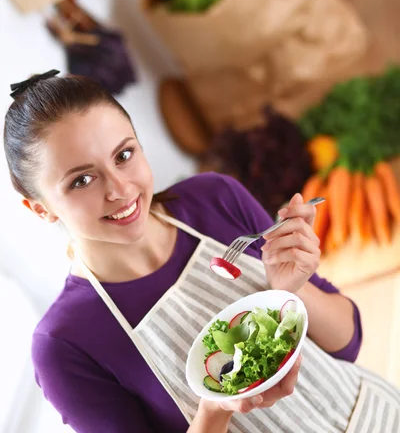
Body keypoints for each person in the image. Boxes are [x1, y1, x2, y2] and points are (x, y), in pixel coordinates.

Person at [3, 70, 400, 433]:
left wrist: (290, 290)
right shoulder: (65, 343)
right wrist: (215, 409)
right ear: (40, 208)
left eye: (124, 155)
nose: (119, 190)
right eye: (82, 180)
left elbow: (347, 342)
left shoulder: (213, 198)